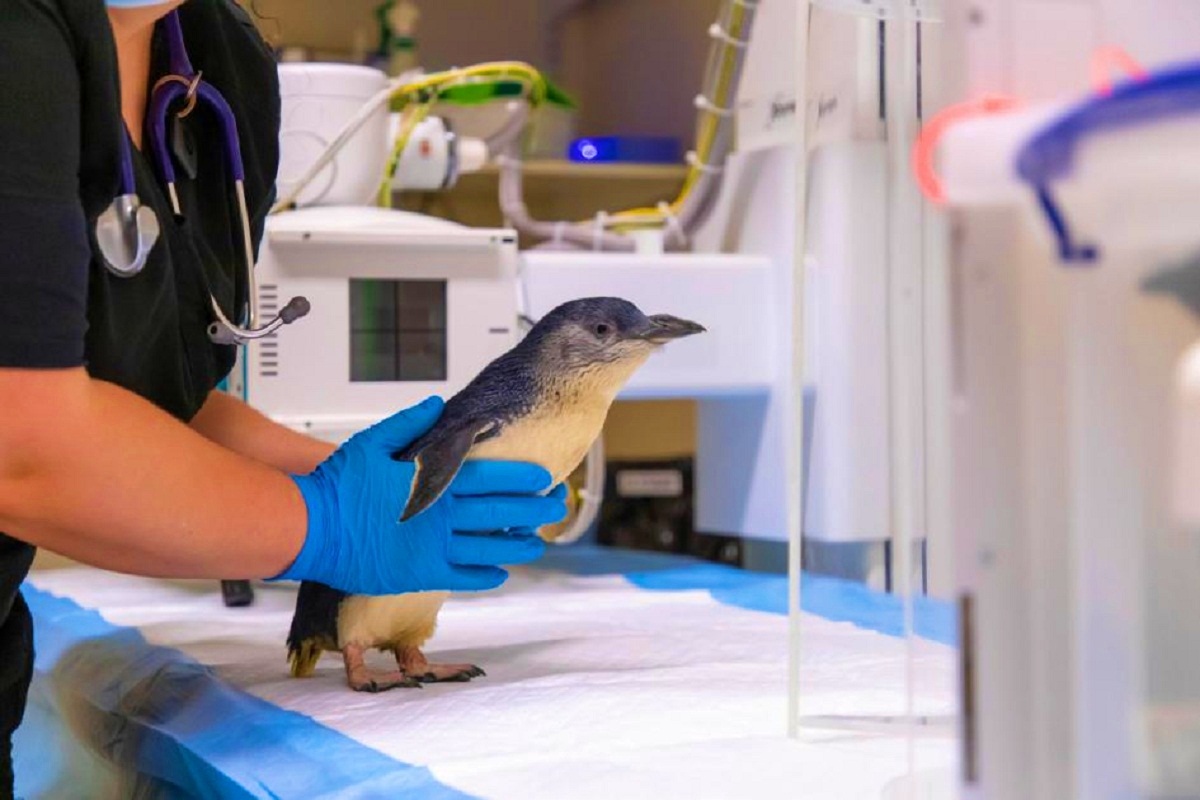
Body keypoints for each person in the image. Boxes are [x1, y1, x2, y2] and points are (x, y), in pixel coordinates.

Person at [0, 0, 565, 792]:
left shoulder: (220, 66)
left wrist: (372, 479)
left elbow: (151, 396)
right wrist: (325, 521)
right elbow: (22, 446)